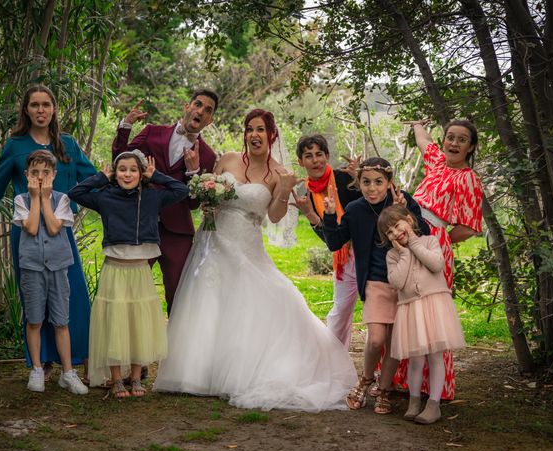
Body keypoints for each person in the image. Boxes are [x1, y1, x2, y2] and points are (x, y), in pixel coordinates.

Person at [153, 109, 358, 411]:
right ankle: (195, 373)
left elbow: (274, 216)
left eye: (261, 129)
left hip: (245, 243)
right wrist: (203, 188)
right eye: (250, 129)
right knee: (205, 300)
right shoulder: (227, 160)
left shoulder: (278, 173)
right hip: (211, 239)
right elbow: (204, 192)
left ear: (271, 135)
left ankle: (239, 369)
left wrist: (285, 189)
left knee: (246, 301)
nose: (254, 135)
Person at [0, 85, 96, 379]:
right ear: (26, 110)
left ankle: (79, 359)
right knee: (35, 298)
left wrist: (81, 203)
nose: (41, 110)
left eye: (46, 105)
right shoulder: (15, 146)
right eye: (34, 105)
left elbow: (91, 179)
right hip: (27, 234)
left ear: (54, 109)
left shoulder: (67, 144)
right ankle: (41, 365)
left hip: (59, 231)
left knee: (73, 295)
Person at [68, 151, 189, 398]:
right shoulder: (105, 197)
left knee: (137, 322)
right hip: (115, 269)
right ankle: (116, 379)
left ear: (141, 173)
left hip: (140, 270)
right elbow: (76, 193)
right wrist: (101, 177)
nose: (127, 174)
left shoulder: (153, 197)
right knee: (115, 321)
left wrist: (156, 175)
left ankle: (135, 377)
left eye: (133, 169)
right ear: (115, 172)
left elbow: (180, 190)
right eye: (122, 169)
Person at [321, 158, 430, 414]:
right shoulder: (356, 209)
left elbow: (424, 235)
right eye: (366, 182)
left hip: (403, 283)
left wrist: (408, 213)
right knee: (376, 339)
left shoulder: (402, 202)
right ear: (358, 183)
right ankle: (366, 379)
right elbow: (335, 242)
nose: (372, 188)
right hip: (375, 282)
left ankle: (383, 389)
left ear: (389, 183)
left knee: (394, 342)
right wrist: (327, 216)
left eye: (378, 182)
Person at [390, 119, 483, 400]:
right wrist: (418, 125)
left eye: (461, 139)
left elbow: (468, 227)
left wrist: (439, 238)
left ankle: (435, 392)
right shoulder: (437, 163)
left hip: (433, 244)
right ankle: (404, 383)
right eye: (450, 137)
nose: (454, 143)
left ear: (471, 147)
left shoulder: (468, 178)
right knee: (408, 309)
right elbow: (424, 143)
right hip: (409, 238)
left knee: (432, 316)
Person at [111, 90, 218, 312]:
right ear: (187, 107)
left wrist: (193, 172)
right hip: (141, 225)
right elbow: (120, 162)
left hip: (177, 233)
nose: (201, 111)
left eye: (208, 110)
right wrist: (126, 126)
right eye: (198, 104)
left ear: (210, 120)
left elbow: (192, 204)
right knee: (131, 291)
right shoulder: (152, 133)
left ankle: (175, 346)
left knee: (178, 296)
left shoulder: (208, 156)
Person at [378, 205, 466, 424]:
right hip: (411, 309)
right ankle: (414, 401)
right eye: (389, 232)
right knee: (416, 360)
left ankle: (433, 405)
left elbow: (436, 265)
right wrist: (405, 254)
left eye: (398, 226)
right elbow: (397, 282)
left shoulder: (429, 242)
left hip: (434, 305)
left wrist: (415, 244)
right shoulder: (392, 255)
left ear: (409, 220)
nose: (396, 233)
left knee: (436, 357)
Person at [13, 150, 88, 394]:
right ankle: (36, 369)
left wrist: (45, 199)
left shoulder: (63, 200)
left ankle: (67, 372)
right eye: (35, 173)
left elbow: (56, 228)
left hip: (58, 268)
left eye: (46, 173)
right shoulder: (21, 201)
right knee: (34, 320)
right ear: (27, 176)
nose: (41, 177)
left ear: (54, 175)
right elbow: (32, 228)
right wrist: (35, 198)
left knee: (61, 320)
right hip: (32, 269)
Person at [292, 134, 362, 350]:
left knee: (379, 313)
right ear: (301, 162)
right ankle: (333, 360)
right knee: (340, 311)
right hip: (343, 258)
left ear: (327, 156)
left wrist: (359, 181)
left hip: (369, 251)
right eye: (309, 156)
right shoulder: (307, 194)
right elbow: (329, 239)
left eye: (319, 154)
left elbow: (370, 207)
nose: (315, 160)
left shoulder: (345, 177)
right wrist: (311, 215)